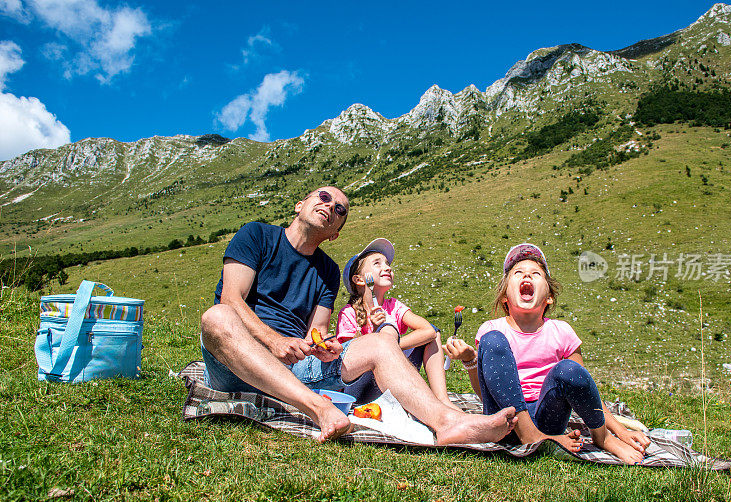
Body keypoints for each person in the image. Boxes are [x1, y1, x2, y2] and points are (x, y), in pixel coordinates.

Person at [199, 186, 517, 443]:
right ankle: (318, 409)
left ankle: (447, 422)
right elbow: (231, 298)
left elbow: (317, 332)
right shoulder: (256, 236)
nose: (331, 206)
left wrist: (324, 347)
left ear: (336, 232)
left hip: (293, 366)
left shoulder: (327, 271)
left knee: (380, 343)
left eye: (340, 209)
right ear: (299, 205)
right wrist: (275, 341)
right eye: (324, 197)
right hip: (236, 361)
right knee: (216, 317)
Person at [444, 243, 650, 463]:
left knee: (570, 370)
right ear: (505, 296)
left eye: (535, 274)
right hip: (504, 421)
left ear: (549, 296)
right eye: (518, 273)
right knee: (492, 341)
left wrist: (619, 431)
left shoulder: (561, 331)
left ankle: (602, 438)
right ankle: (531, 436)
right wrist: (470, 360)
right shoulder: (491, 330)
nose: (527, 276)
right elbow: (485, 391)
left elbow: (584, 391)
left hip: (548, 419)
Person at [336, 238, 457, 409]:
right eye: (377, 264)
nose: (387, 267)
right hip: (359, 391)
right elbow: (347, 359)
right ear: (359, 279)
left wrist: (390, 346)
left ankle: (442, 400)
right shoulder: (349, 313)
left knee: (434, 333)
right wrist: (375, 340)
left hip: (393, 381)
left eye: (387, 264)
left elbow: (429, 331)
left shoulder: (394, 306)